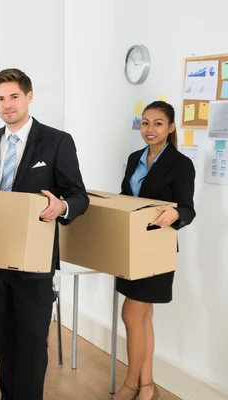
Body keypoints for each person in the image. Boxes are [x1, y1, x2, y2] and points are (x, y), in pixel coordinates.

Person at [0, 68, 89, 400]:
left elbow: (78, 196)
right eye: (0, 98)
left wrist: (62, 208)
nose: (7, 105)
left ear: (29, 97)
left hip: (34, 263)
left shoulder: (57, 141)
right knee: (3, 342)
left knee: (32, 343)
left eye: (14, 96)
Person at [114, 101, 195, 400]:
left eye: (158, 123)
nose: (149, 129)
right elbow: (126, 197)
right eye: (145, 123)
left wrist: (177, 215)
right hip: (132, 245)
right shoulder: (135, 157)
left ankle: (131, 383)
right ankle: (147, 384)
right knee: (142, 317)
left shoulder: (181, 164)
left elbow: (188, 208)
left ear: (171, 127)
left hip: (157, 249)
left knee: (132, 313)